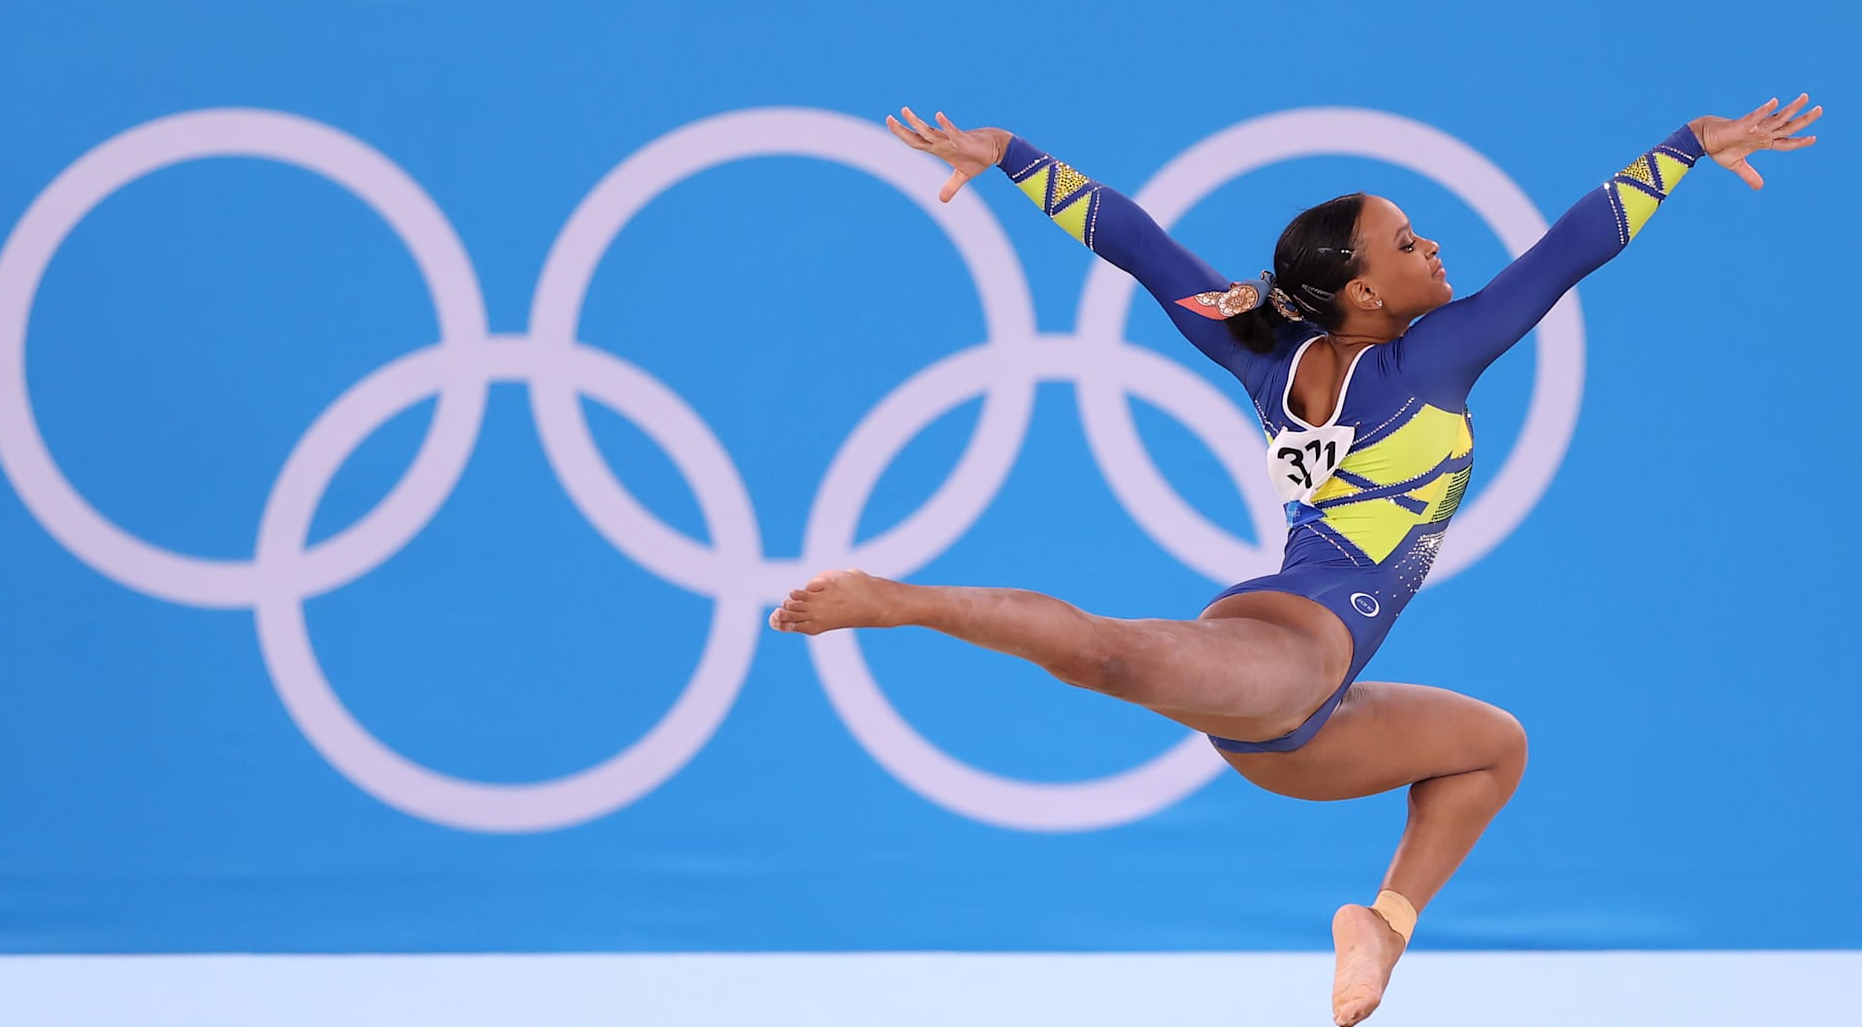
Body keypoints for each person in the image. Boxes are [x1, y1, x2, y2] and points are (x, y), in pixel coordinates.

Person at [769, 95, 1819, 1025]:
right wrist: (1681, 146)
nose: (1433, 248)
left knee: (1492, 749)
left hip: (1306, 719)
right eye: (1407, 242)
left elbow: (1138, 246)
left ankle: (1381, 927)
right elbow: (1572, 247)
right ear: (1362, 291)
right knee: (1107, 656)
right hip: (1284, 648)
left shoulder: (1259, 348)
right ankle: (894, 598)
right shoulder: (1435, 353)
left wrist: (1012, 154)